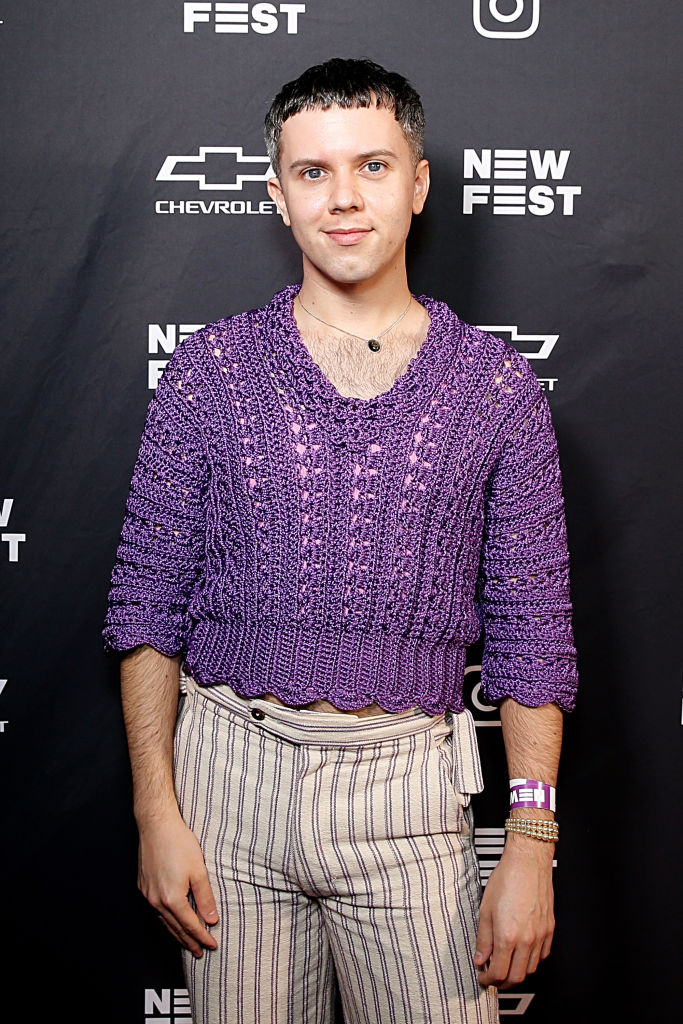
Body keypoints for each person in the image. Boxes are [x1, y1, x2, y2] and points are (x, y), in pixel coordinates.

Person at [103, 57, 578, 1024]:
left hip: (408, 798)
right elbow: (146, 607)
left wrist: (530, 842)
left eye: (371, 165)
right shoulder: (209, 373)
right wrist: (157, 807)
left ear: (418, 182)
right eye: (313, 172)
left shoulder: (496, 392)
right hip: (228, 785)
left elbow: (534, 641)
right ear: (277, 195)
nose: (344, 198)